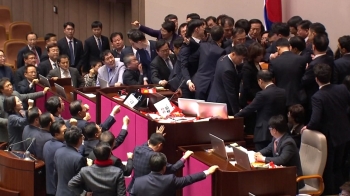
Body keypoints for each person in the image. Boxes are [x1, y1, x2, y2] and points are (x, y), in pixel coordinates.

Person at [301, 64, 350, 194]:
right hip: (344, 132)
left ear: (316, 79)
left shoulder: (318, 96)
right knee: (339, 166)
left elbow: (316, 119)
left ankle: (330, 192)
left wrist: (308, 126)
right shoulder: (342, 88)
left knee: (328, 167)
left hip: (330, 136)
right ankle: (340, 191)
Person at [128, 127, 194, 192]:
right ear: (160, 145)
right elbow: (173, 168)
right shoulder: (154, 156)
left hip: (134, 188)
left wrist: (156, 137)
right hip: (148, 190)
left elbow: (147, 143)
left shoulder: (137, 149)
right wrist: (184, 157)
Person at [234, 70, 286, 150]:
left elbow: (250, 108)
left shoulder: (262, 94)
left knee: (261, 158)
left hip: (263, 132)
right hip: (279, 130)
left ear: (260, 81)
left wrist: (235, 116)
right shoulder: (283, 92)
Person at [130, 152, 219, 196]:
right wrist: (207, 172)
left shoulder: (138, 182)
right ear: (164, 167)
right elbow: (189, 179)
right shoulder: (169, 180)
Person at [255, 115, 304, 189]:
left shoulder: (288, 143)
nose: (269, 130)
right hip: (281, 174)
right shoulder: (276, 138)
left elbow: (281, 160)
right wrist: (259, 153)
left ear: (274, 130)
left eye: (270, 128)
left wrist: (263, 159)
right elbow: (269, 148)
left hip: (293, 179)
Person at [207, 44, 247, 116]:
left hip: (215, 96)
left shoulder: (222, 58)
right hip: (222, 103)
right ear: (233, 54)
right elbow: (230, 92)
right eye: (240, 59)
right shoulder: (228, 70)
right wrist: (237, 112)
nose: (242, 62)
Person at [269, 38, 307, 107]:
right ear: (289, 46)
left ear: (278, 48)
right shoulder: (301, 59)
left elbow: (270, 79)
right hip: (298, 96)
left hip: (282, 97)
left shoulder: (274, 62)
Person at [191, 25, 226, 100]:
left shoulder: (202, 46)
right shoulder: (221, 51)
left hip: (197, 80)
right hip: (209, 84)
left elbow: (192, 59)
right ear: (222, 36)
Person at [54, 126, 88, 196]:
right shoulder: (79, 158)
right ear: (79, 140)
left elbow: (55, 174)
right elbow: (82, 181)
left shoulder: (58, 151)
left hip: (59, 192)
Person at [179, 19, 205, 98]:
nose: (204, 29)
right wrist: (189, 81)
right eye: (202, 27)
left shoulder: (202, 43)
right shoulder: (186, 46)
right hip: (190, 85)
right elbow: (184, 66)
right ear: (197, 29)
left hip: (200, 83)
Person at [43, 119, 66, 196]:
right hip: (57, 186)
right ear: (56, 134)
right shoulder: (61, 147)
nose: (67, 133)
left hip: (48, 185)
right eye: (64, 132)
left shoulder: (46, 144)